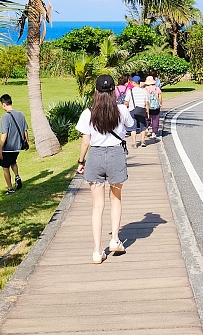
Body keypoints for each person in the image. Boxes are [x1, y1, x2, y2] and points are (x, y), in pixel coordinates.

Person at [76, 75, 136, 264]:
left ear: (96, 91)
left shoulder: (88, 113)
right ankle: (115, 240)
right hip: (116, 156)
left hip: (95, 156)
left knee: (97, 206)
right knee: (116, 199)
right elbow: (131, 125)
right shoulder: (121, 109)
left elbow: (86, 140)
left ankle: (96, 251)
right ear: (113, 91)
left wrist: (80, 161)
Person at [0, 94, 28, 195]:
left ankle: (10, 188)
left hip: (8, 148)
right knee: (13, 162)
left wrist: (0, 149)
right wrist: (26, 142)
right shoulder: (20, 114)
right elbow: (25, 130)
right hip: (18, 147)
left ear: (3, 105)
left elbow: (4, 134)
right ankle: (17, 176)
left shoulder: (5, 117)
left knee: (5, 167)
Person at [125, 75, 150, 148]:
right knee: (143, 126)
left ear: (134, 82)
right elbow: (146, 103)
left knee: (133, 127)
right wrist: (147, 112)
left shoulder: (130, 91)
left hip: (132, 110)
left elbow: (126, 102)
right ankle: (142, 141)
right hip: (141, 110)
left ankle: (134, 143)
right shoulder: (144, 91)